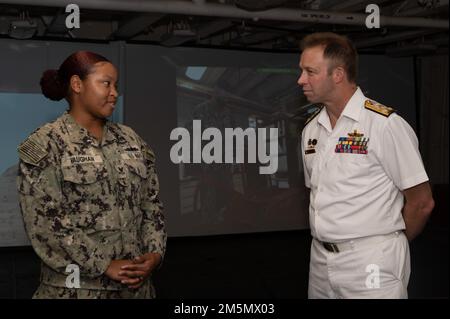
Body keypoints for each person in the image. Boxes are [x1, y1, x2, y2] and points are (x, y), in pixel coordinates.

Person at [17, 51, 166, 299]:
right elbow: (45, 223)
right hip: (77, 290)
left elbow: (151, 204)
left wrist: (154, 253)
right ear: (77, 84)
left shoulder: (131, 140)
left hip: (136, 290)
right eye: (106, 83)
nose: (114, 93)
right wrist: (104, 264)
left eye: (116, 85)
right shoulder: (47, 144)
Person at [298, 33, 435, 299]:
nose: (301, 80)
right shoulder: (311, 130)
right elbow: (318, 195)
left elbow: (421, 202)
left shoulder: (385, 125)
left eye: (310, 71)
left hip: (372, 260)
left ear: (338, 74)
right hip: (320, 260)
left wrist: (389, 245)